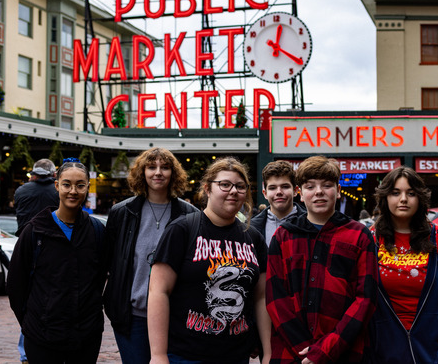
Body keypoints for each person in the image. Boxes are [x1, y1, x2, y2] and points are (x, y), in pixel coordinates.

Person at [148, 157, 271, 364]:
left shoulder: (253, 237)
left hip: (236, 355)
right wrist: (158, 355)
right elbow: (158, 291)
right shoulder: (182, 230)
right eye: (224, 184)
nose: (233, 191)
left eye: (240, 186)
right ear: (207, 189)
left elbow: (261, 298)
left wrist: (268, 352)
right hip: (186, 355)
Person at [266, 156, 378, 363]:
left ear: (337, 191)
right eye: (310, 186)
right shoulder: (283, 236)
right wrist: (306, 351)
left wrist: (326, 349)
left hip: (345, 351)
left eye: (327, 185)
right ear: (301, 194)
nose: (319, 192)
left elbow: (366, 299)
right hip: (293, 354)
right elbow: (276, 299)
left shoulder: (359, 235)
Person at [7, 159, 109, 363]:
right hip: (41, 336)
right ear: (57, 185)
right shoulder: (34, 232)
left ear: (87, 187)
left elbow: (99, 279)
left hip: (85, 337)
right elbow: (16, 285)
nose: (73, 191)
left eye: (80, 185)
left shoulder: (97, 231)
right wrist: (31, 323)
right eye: (67, 184)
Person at [103, 148, 197, 364]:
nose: (158, 172)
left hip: (174, 316)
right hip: (131, 316)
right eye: (151, 167)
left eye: (165, 167)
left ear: (173, 173)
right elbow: (109, 263)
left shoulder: (190, 215)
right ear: (142, 172)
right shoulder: (121, 212)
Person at [369, 166, 438, 363]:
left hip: (432, 354)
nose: (403, 199)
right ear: (385, 198)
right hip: (382, 354)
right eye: (395, 193)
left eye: (411, 193)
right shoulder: (370, 241)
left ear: (420, 199)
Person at [13, 158, 60, 364]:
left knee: (27, 297)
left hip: (25, 247)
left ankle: (26, 351)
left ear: (33, 173)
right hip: (54, 249)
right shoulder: (58, 191)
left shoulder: (21, 191)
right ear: (53, 174)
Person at [251, 160, 305, 247]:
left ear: (295, 191)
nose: (279, 192)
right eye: (272, 188)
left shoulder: (310, 223)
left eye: (285, 187)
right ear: (265, 193)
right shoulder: (251, 228)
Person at [14, 158, 60, 233]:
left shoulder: (21, 190)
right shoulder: (60, 190)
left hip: (26, 237)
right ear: (54, 174)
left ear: (34, 175)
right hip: (53, 238)